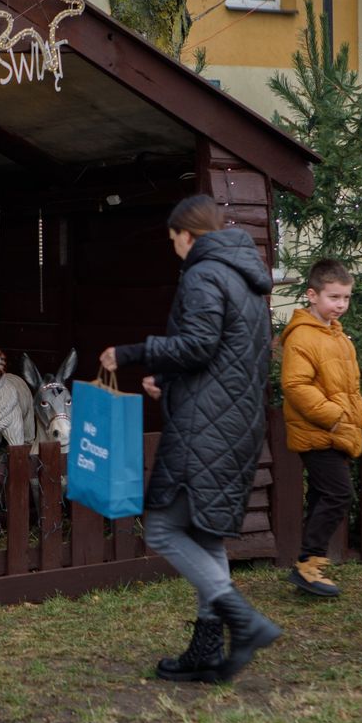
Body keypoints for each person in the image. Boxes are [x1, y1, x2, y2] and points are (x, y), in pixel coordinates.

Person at [99, 194, 279, 683]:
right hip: (236, 421)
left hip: (206, 425)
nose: (174, 247)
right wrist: (170, 378)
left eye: (174, 238)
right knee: (204, 532)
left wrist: (136, 352)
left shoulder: (204, 273)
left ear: (188, 235)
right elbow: (225, 358)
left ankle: (243, 621)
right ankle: (205, 648)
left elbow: (199, 344)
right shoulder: (246, 280)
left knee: (162, 528)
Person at [280, 259, 362, 598]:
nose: (341, 305)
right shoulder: (302, 336)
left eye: (346, 298)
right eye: (334, 297)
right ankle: (308, 566)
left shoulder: (338, 337)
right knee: (338, 493)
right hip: (316, 432)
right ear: (312, 295)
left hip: (338, 430)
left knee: (322, 494)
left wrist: (357, 421)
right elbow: (296, 386)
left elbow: (351, 386)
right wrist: (334, 417)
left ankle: (307, 564)